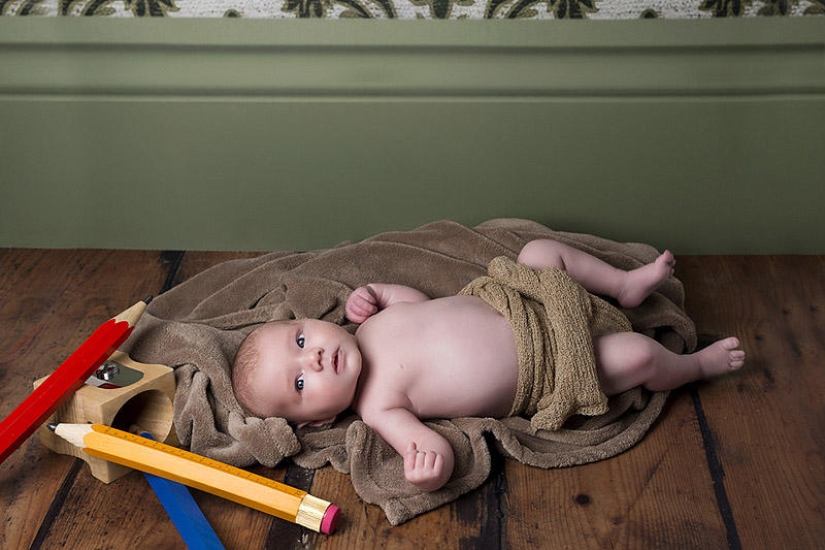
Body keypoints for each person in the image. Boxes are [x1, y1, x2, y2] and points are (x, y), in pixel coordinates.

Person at [232, 239, 745, 492]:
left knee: (538, 250)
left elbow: (417, 302)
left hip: (522, 302)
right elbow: (427, 445)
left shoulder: (369, 327)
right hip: (549, 365)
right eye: (301, 381)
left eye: (301, 338)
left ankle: (622, 284)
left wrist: (378, 294)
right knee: (637, 357)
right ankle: (692, 365)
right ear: (319, 420)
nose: (315, 356)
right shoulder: (378, 406)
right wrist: (427, 468)